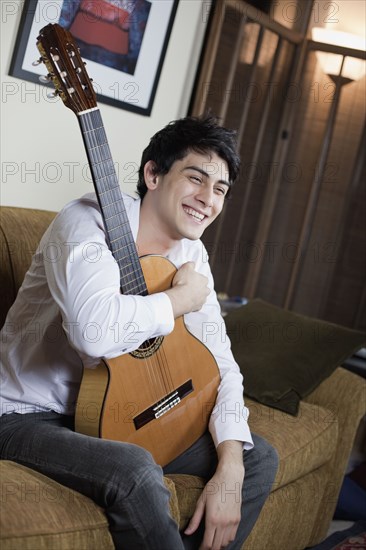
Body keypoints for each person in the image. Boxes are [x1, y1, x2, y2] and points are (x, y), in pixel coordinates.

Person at [0, 115, 278, 549]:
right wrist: (178, 302)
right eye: (196, 178)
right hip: (27, 415)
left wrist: (230, 469)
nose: (207, 199)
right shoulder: (84, 223)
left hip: (127, 414)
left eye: (220, 189)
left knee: (255, 455)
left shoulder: (192, 253)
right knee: (135, 470)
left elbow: (221, 363)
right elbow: (94, 333)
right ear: (153, 174)